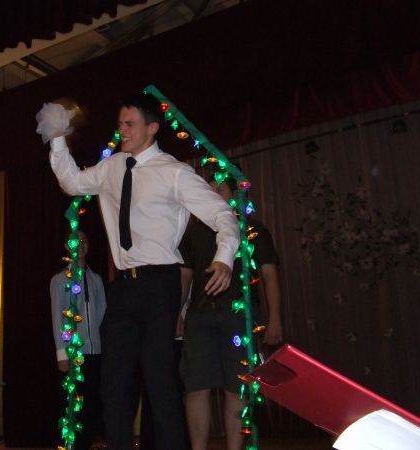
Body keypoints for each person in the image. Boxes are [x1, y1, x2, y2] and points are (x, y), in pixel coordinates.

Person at [37, 92, 240, 450]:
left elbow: (222, 214)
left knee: (159, 378)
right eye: (120, 123)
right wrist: (56, 138)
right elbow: (71, 182)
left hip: (161, 284)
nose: (123, 130)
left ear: (152, 127)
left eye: (130, 124)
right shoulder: (112, 167)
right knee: (112, 382)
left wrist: (224, 256)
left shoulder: (174, 172)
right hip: (123, 288)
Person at [177, 173, 283, 450]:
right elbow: (184, 277)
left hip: (240, 320)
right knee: (196, 387)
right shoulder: (194, 232)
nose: (214, 195)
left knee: (237, 387)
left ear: (236, 195)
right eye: (209, 190)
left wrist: (274, 319)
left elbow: (270, 276)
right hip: (199, 317)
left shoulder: (254, 230)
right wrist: (178, 313)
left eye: (221, 189)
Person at [50, 230, 106, 450]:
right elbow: (58, 316)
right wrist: (62, 353)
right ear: (67, 246)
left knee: (92, 405)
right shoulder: (60, 279)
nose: (80, 244)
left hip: (94, 351)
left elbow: (101, 312)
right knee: (72, 406)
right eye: (75, 241)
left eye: (84, 240)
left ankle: (85, 444)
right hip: (73, 353)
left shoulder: (96, 279)